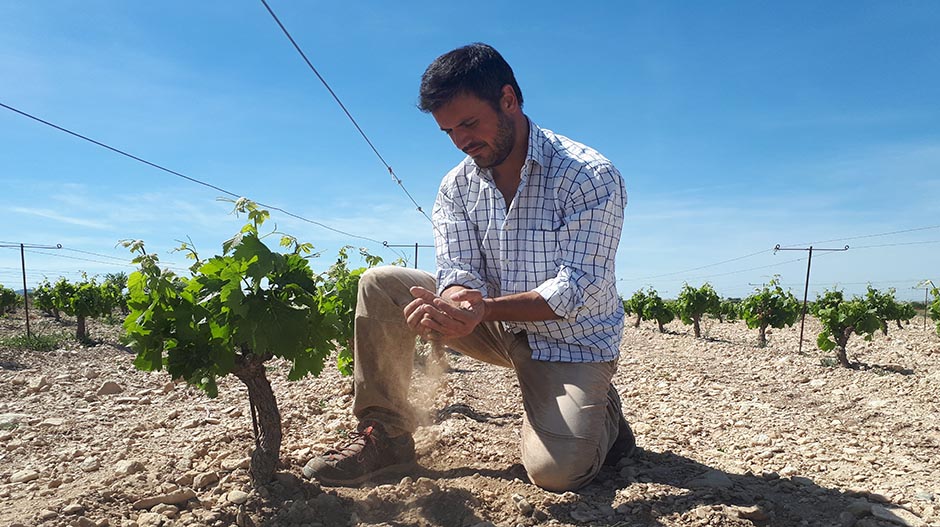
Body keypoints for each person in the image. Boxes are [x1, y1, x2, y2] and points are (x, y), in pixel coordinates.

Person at [303, 42, 632, 492]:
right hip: (495, 326)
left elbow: (579, 288)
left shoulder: (587, 174)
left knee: (556, 474)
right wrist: (453, 302)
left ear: (509, 99)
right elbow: (459, 267)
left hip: (569, 343)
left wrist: (481, 311)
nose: (461, 140)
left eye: (470, 123)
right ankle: (388, 436)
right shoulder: (456, 186)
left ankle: (603, 414)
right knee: (380, 283)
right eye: (449, 131)